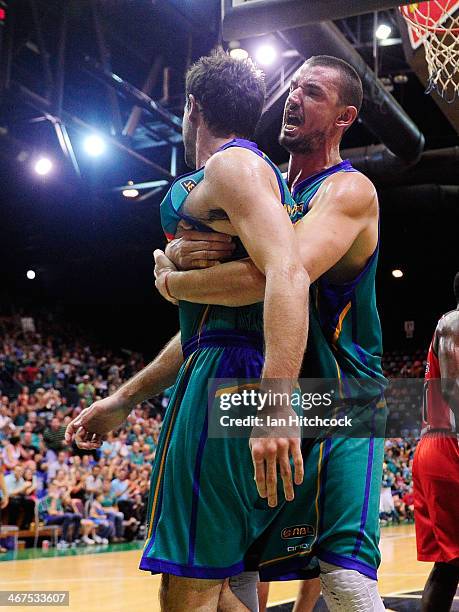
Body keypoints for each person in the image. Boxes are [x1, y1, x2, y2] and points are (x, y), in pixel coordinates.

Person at [66, 51, 308, 612]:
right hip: (219, 359)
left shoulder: (234, 167)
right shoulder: (243, 174)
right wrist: (125, 398)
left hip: (233, 375)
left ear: (191, 107)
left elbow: (286, 273)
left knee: (188, 589)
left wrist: (276, 404)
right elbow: (207, 328)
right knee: (211, 584)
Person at [154, 55, 386, 610]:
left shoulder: (348, 191)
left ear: (344, 118)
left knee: (345, 579)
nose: (293, 98)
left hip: (342, 401)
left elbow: (281, 275)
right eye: (292, 87)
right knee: (231, 574)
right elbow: (215, 326)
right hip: (276, 386)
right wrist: (183, 261)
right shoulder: (265, 188)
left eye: (312, 93)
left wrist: (175, 279)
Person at [412, 272, 459, 612]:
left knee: (448, 567)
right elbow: (454, 392)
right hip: (449, 447)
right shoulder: (454, 321)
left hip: (438, 447)